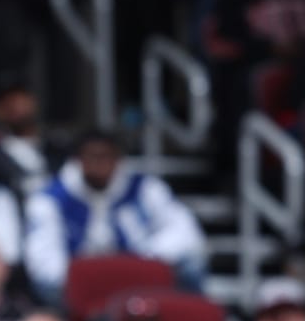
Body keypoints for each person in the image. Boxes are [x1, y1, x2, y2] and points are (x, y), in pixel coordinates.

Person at [23, 129, 207, 304]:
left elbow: (186, 235)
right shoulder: (51, 199)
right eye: (92, 157)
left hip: (139, 278)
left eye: (106, 156)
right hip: (81, 287)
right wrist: (98, 277)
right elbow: (45, 267)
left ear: (118, 159)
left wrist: (137, 265)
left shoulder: (144, 188)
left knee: (191, 263)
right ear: (77, 160)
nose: (100, 164)